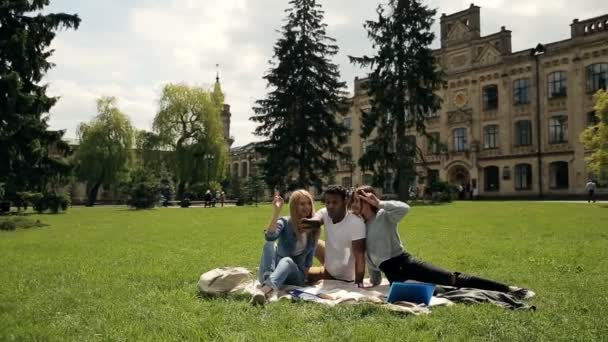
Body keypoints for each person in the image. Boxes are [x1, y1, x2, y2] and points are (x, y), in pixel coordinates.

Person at [351, 185, 534, 299]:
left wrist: (380, 202)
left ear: (367, 200)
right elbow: (371, 258)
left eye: (357, 201)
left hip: (406, 263)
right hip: (395, 277)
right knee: (440, 291)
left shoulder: (384, 216)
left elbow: (405, 208)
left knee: (452, 279)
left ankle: (509, 289)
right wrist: (374, 281)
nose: (353, 206)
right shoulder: (361, 227)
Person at [251, 190, 319, 305]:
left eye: (308, 203)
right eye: (302, 204)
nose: (306, 207)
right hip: (275, 272)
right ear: (294, 206)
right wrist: (277, 211)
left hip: (296, 276)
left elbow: (308, 261)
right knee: (269, 244)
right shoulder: (285, 222)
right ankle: (269, 283)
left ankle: (263, 291)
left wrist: (304, 282)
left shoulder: (313, 228)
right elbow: (270, 237)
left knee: (286, 261)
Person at [305, 185, 366, 287]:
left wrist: (359, 284)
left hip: (342, 276)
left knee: (302, 275)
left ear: (345, 201)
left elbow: (360, 257)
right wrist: (308, 223)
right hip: (330, 265)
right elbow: (316, 220)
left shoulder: (356, 223)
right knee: (313, 241)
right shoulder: (325, 213)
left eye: (335, 202)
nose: (330, 206)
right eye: (328, 202)